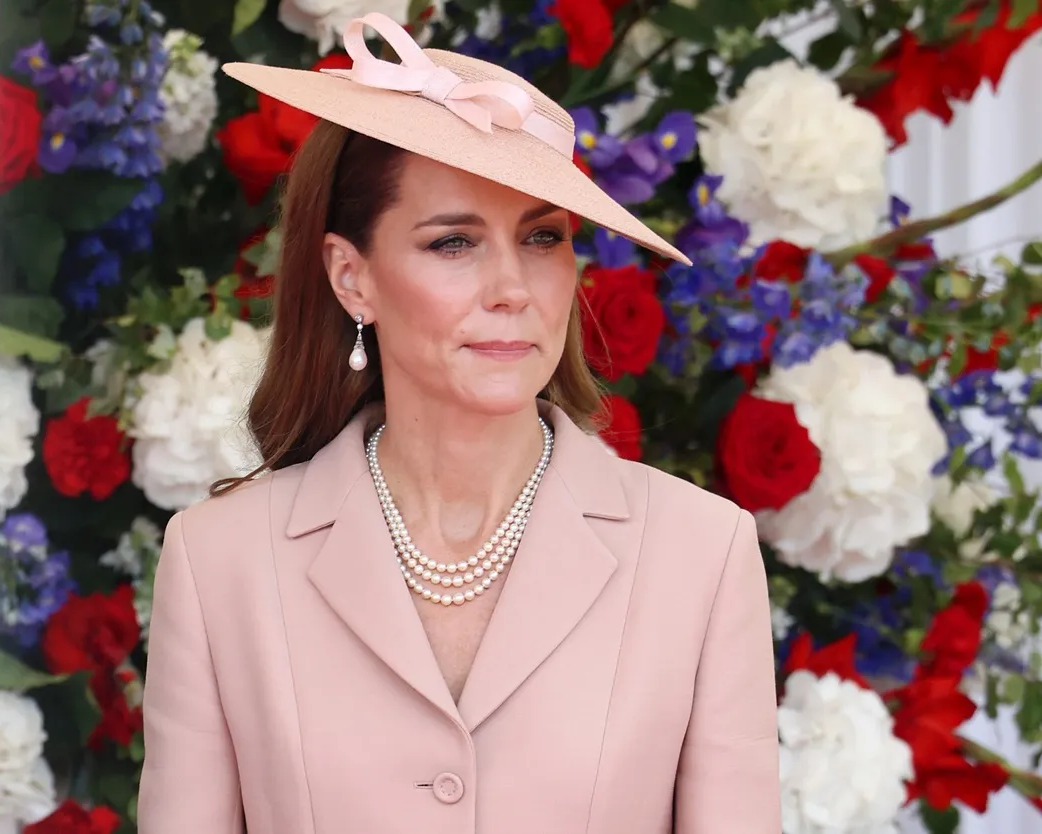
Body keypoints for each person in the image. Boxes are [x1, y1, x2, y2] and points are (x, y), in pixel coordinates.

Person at [138, 12, 779, 834]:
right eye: (453, 244)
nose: (513, 287)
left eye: (542, 237)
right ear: (351, 278)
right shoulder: (217, 561)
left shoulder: (703, 553)